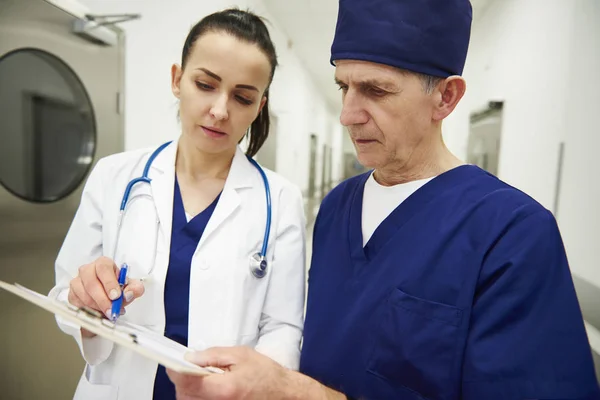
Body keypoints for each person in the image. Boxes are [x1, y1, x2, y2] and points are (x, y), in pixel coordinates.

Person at [166, 0, 600, 399]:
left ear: (445, 97)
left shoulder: (511, 234)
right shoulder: (337, 208)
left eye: (376, 91)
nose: (348, 115)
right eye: (344, 87)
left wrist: (294, 392)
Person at [48, 8, 306, 400]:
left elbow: (284, 326)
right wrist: (86, 300)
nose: (220, 110)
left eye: (242, 96)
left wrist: (254, 382)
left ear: (259, 106)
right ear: (177, 79)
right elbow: (66, 293)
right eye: (206, 84)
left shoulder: (281, 200)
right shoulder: (114, 176)